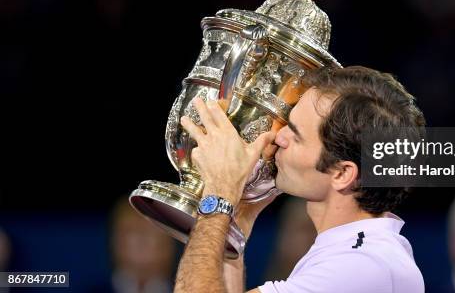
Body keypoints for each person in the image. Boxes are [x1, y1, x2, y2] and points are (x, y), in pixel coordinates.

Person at [174, 66, 427, 293]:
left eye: (295, 134)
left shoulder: (363, 264)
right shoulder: (362, 252)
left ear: (342, 174)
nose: (278, 138)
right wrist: (240, 214)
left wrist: (218, 194)